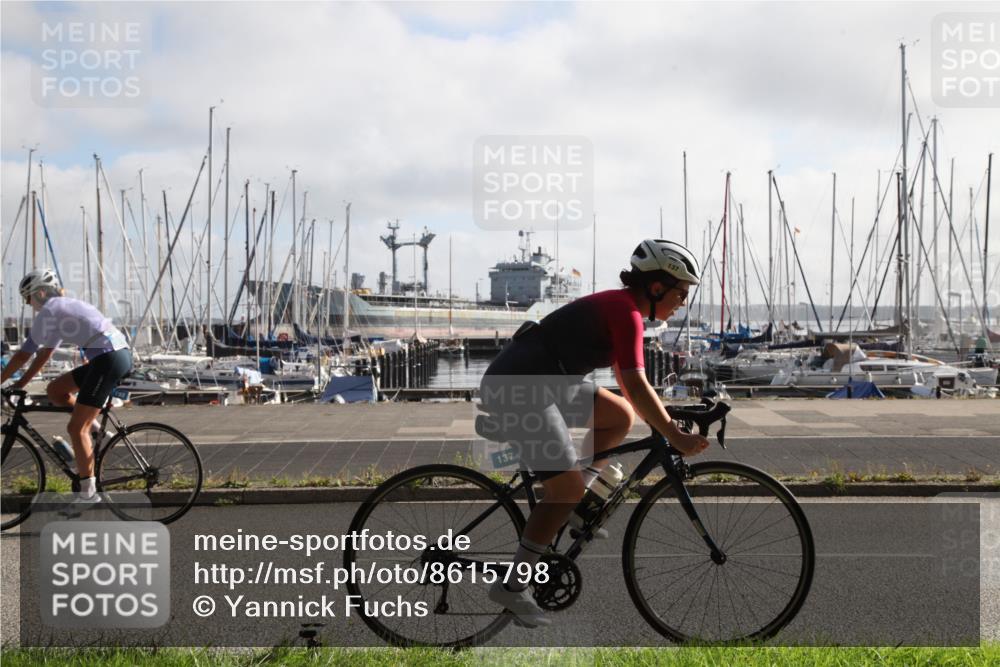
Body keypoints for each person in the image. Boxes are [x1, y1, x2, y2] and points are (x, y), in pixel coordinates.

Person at [481, 239, 710, 627]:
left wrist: (665, 418)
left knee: (618, 416)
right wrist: (672, 433)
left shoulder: (624, 309)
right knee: (564, 488)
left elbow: (629, 387)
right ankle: (513, 584)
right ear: (656, 288)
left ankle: (576, 504)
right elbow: (637, 383)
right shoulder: (626, 314)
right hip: (519, 387)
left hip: (547, 380)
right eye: (680, 293)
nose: (682, 301)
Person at [1, 269, 133, 511]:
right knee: (55, 391)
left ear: (40, 293)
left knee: (75, 428)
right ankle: (97, 431)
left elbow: (23, 354)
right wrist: (20, 384)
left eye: (28, 299)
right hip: (110, 356)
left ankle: (88, 493)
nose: (29, 305)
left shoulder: (50, 310)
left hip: (109, 358)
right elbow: (44, 353)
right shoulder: (60, 309)